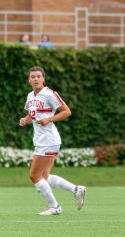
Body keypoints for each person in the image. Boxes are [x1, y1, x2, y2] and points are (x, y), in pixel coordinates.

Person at [19, 66, 86, 215]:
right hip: (41, 140)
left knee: (34, 176)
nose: (36, 79)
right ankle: (77, 190)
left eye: (38, 76)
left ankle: (54, 207)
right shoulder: (30, 96)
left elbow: (67, 111)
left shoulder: (49, 94)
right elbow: (32, 114)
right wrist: (26, 120)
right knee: (44, 177)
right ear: (29, 80)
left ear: (43, 78)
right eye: (33, 77)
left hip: (48, 140)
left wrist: (49, 119)